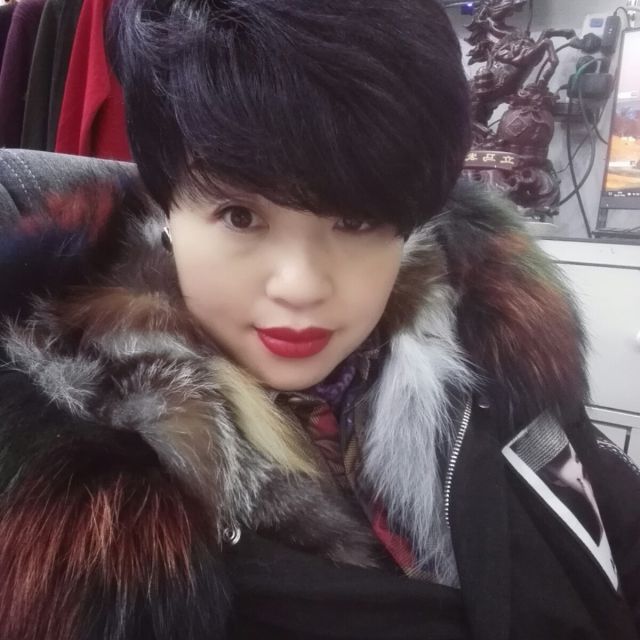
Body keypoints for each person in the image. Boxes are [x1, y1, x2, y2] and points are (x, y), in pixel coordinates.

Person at [0, 1, 638, 638]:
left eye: (355, 221)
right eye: (240, 217)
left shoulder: (498, 345)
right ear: (167, 210)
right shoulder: (71, 482)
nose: (301, 287)